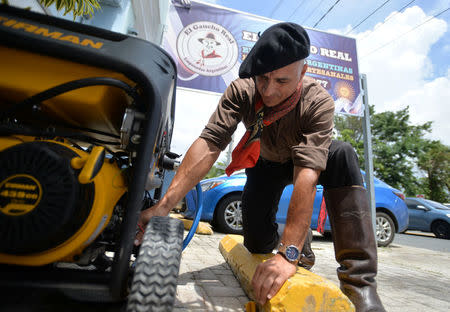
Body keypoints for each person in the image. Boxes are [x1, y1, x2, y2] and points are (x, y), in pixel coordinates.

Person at [136, 22, 385, 312]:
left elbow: (307, 171)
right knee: (255, 243)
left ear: (302, 74)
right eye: (263, 78)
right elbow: (211, 142)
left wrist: (288, 256)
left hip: (304, 162)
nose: (268, 90)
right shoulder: (241, 91)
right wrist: (164, 206)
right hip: (265, 164)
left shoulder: (318, 102)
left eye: (282, 81)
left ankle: (360, 285)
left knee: (342, 154)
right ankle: (296, 238)